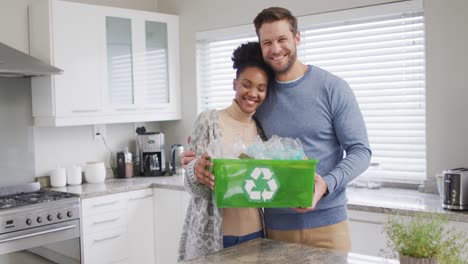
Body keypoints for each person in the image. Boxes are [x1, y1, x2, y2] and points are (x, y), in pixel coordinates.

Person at [183, 7, 371, 253]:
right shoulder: (260, 96)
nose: (276, 48)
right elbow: (234, 141)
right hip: (274, 229)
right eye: (267, 42)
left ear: (297, 38)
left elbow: (361, 151)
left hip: (328, 226)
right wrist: (192, 163)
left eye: (282, 39)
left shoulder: (332, 88)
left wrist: (325, 184)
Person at [177, 41, 274, 262]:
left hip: (256, 235)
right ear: (235, 84)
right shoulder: (209, 120)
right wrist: (195, 171)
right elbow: (193, 184)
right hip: (215, 236)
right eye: (246, 85)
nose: (253, 93)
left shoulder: (261, 131)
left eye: (261, 88)